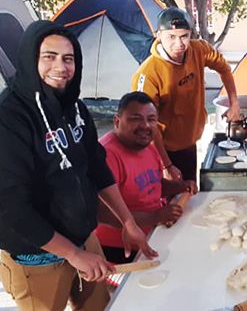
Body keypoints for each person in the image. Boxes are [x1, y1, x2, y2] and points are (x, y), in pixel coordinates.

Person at [0, 20, 156, 311]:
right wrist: (72, 253)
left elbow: (96, 166)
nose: (61, 67)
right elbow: (10, 207)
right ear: (30, 58)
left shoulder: (75, 108)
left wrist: (128, 221)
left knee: (100, 307)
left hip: (85, 242)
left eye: (68, 58)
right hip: (37, 259)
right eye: (49, 56)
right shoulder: (9, 118)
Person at [132, 7, 240, 182]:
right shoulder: (148, 74)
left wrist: (234, 104)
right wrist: (166, 165)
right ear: (159, 35)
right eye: (171, 37)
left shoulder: (199, 50)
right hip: (161, 149)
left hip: (189, 142)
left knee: (190, 191)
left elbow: (224, 69)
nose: (179, 44)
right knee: (170, 204)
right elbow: (146, 126)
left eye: (184, 36)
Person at [95, 91, 197, 264]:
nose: (145, 126)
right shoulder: (105, 155)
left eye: (151, 119)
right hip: (121, 248)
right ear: (117, 121)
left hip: (155, 232)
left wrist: (178, 186)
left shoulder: (147, 146)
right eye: (135, 119)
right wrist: (155, 217)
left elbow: (151, 185)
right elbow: (102, 213)